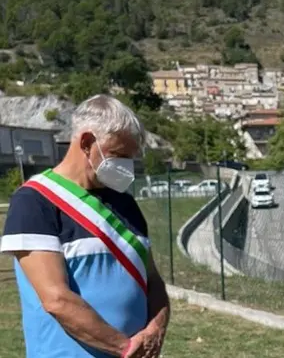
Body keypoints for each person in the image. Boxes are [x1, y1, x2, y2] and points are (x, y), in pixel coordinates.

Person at [0, 94, 170, 358]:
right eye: (118, 155)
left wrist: (155, 328)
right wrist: (125, 349)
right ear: (87, 143)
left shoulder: (126, 205)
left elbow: (153, 281)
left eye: (130, 157)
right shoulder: (34, 202)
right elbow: (56, 299)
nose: (126, 166)